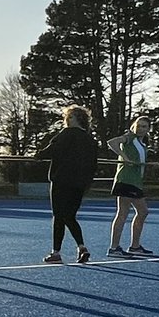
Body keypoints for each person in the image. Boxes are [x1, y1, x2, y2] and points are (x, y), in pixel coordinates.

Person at [35, 106, 98, 263]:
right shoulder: (90, 140)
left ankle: (56, 252)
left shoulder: (66, 134)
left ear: (77, 119)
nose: (67, 120)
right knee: (70, 216)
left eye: (70, 117)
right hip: (79, 183)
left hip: (62, 180)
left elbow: (49, 151)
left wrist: (38, 154)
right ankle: (82, 247)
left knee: (58, 216)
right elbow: (93, 164)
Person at [107, 116, 154, 257]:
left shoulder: (141, 143)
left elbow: (140, 163)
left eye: (144, 126)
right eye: (138, 126)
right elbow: (112, 142)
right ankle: (114, 248)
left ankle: (134, 246)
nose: (140, 129)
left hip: (135, 182)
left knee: (141, 212)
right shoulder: (129, 137)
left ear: (148, 129)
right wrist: (125, 158)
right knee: (125, 213)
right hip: (126, 181)